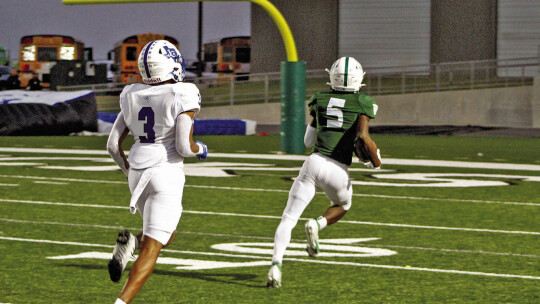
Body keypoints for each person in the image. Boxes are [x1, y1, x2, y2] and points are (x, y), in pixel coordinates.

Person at [106, 40, 208, 304]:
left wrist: (126, 169)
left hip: (138, 170)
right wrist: (201, 150)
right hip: (165, 170)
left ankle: (130, 244)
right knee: (153, 246)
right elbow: (184, 146)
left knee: (164, 235)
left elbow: (112, 146)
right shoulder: (182, 92)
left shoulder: (131, 93)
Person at [267, 57, 382, 288]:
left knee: (288, 218)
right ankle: (317, 225)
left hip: (314, 162)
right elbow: (363, 137)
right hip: (337, 168)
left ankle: (276, 266)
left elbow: (308, 141)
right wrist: (376, 162)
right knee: (343, 205)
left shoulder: (320, 99)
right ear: (358, 79)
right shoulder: (362, 101)